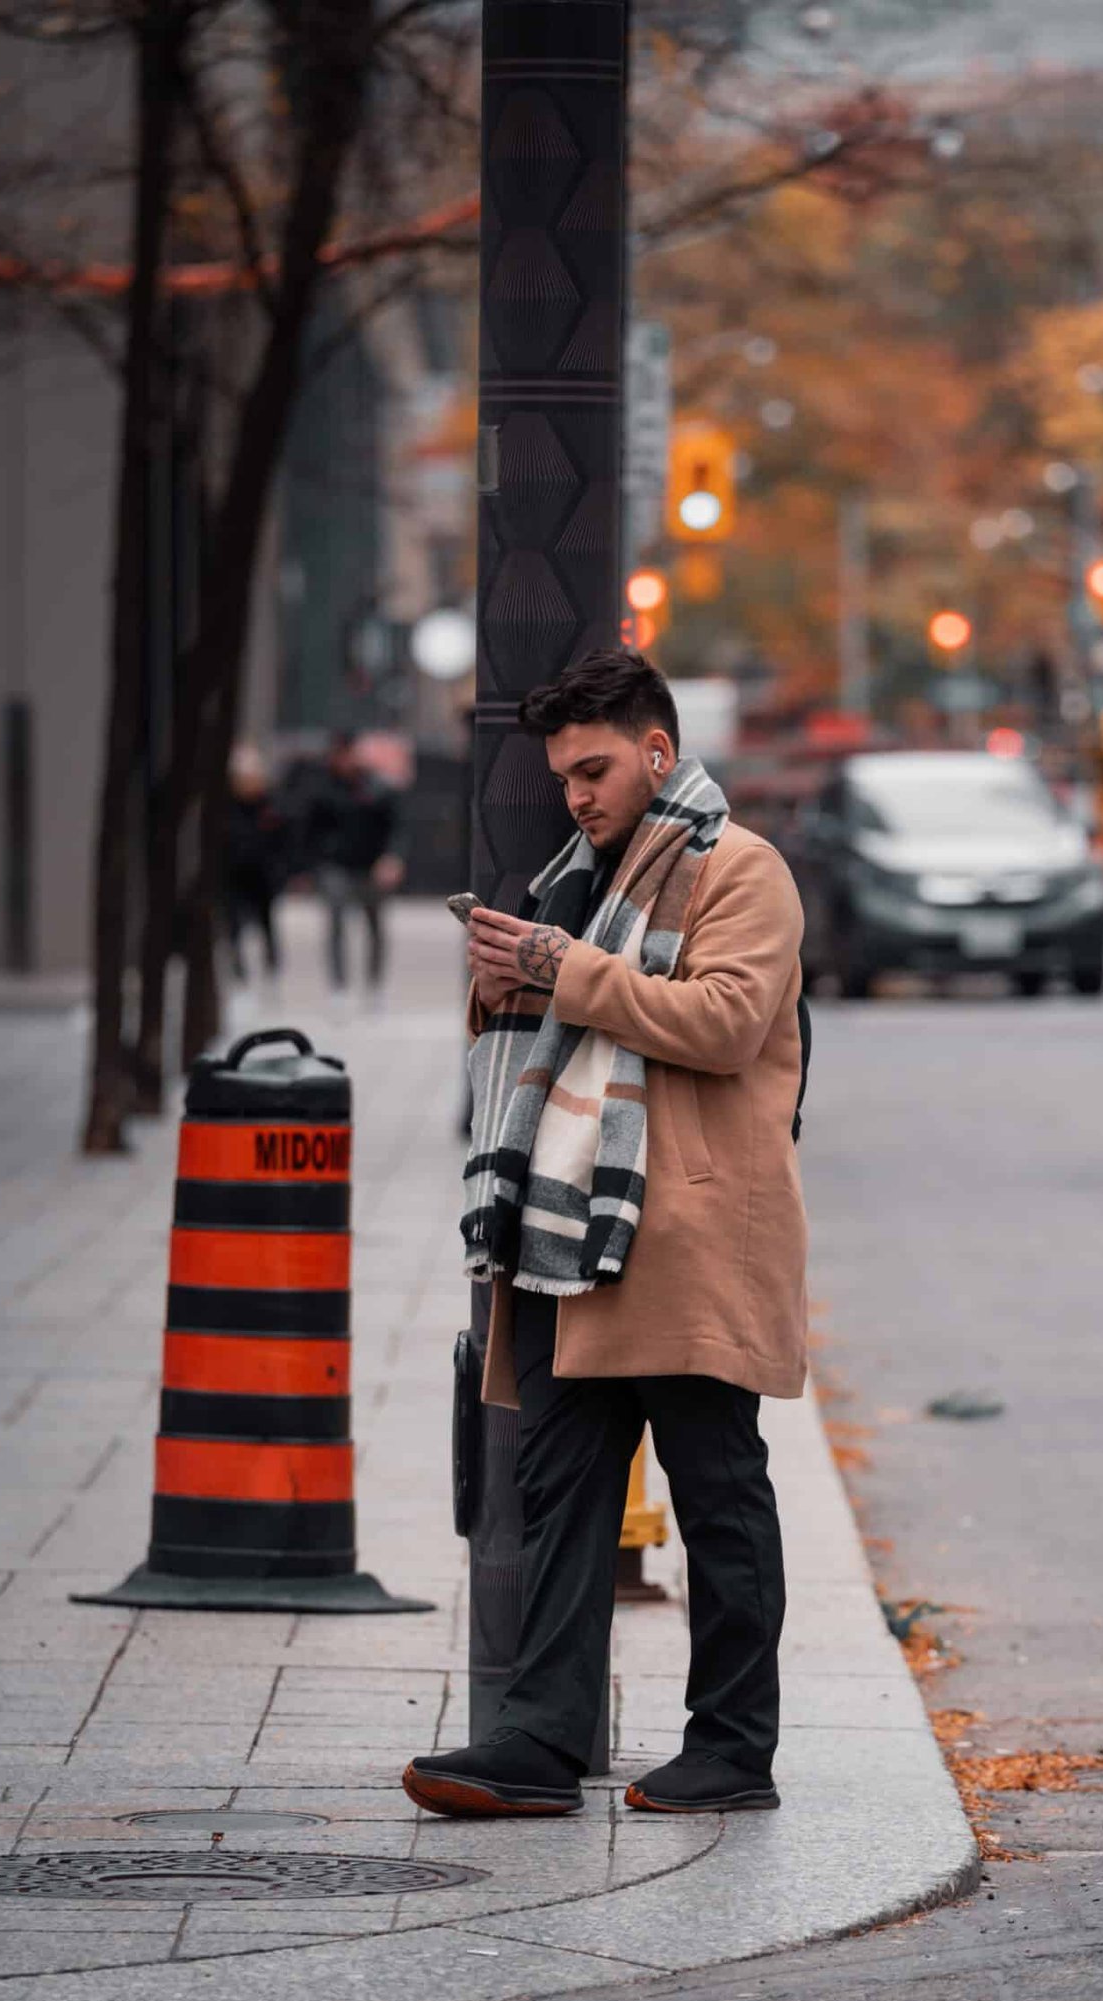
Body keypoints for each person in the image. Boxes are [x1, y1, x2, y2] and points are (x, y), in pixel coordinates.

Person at [402, 649, 808, 1820]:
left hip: (685, 1232)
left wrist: (555, 964)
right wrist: (508, 975)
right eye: (564, 775)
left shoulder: (742, 869)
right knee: (559, 1488)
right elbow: (551, 1030)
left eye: (594, 768)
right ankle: (540, 1738)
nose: (576, 793)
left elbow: (727, 1025)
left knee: (717, 1493)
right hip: (569, 1239)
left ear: (658, 752)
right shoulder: (576, 876)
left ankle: (733, 1749)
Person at [298, 731, 404, 991]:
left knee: (375, 926)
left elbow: (395, 827)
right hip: (336, 866)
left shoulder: (377, 786)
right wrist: (312, 867)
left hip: (371, 866)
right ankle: (339, 985)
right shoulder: (322, 788)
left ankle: (374, 985)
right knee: (335, 923)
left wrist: (391, 857)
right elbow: (309, 830)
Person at [222, 742, 289, 980]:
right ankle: (239, 975)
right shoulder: (226, 805)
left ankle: (272, 971)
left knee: (266, 924)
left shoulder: (270, 803)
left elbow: (283, 839)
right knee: (233, 927)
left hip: (263, 874)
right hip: (233, 874)